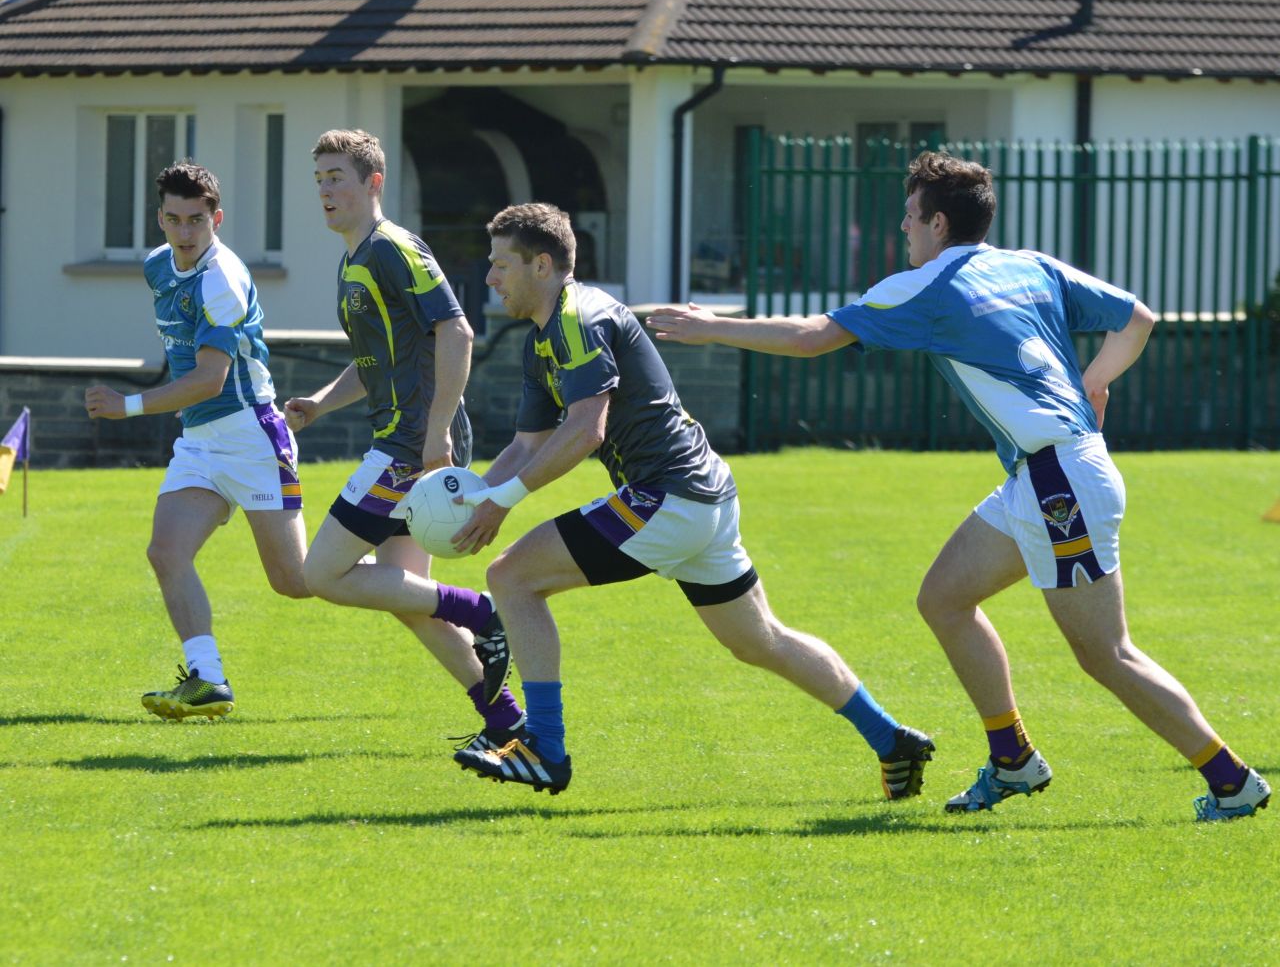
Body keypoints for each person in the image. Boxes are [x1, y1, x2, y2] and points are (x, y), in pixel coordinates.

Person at [647, 150, 1271, 823]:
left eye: (910, 219)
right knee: (944, 598)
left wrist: (709, 325)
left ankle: (1232, 780)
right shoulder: (1028, 265)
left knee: (1106, 654)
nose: (904, 233)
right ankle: (1013, 759)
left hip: (1058, 479)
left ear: (938, 223)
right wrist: (1096, 382)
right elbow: (1139, 318)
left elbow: (813, 335)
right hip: (1051, 472)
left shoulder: (929, 285)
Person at [449, 202, 933, 798]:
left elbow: (585, 431)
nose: (490, 277)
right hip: (702, 495)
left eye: (501, 264)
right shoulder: (542, 340)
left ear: (542, 265)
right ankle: (892, 739)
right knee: (759, 640)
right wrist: (469, 497)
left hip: (667, 496)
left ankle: (545, 748)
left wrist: (502, 502)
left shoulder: (577, 318)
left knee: (514, 577)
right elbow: (527, 445)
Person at [283, 129, 522, 754]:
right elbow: (375, 363)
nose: (326, 191)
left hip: (411, 446)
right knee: (410, 600)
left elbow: (457, 331)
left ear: (372, 184)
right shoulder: (354, 258)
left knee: (322, 572)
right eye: (320, 180)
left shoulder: (393, 249)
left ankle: (480, 611)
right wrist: (319, 403)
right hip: (407, 439)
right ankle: (506, 721)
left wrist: (437, 430)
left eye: (338, 177)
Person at [84, 161, 308, 720]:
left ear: (217, 218)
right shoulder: (158, 266)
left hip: (252, 438)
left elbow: (209, 379)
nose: (184, 234)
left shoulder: (221, 279)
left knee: (299, 581)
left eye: (196, 221)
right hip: (201, 441)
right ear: (159, 218)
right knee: (166, 552)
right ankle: (208, 679)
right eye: (174, 220)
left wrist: (127, 406)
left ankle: (441, 602)